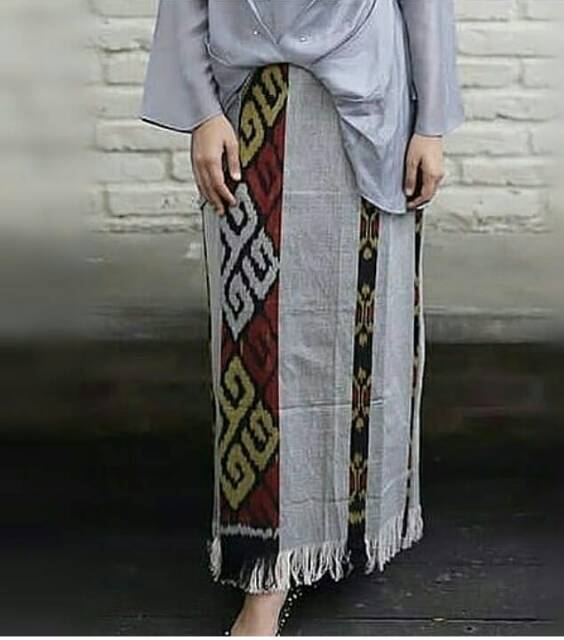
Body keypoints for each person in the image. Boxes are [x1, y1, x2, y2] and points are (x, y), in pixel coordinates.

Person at [142, 1, 464, 635]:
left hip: (370, 101)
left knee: (366, 320)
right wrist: (202, 111)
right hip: (249, 101)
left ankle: (356, 523)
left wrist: (431, 123)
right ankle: (266, 570)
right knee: (256, 335)